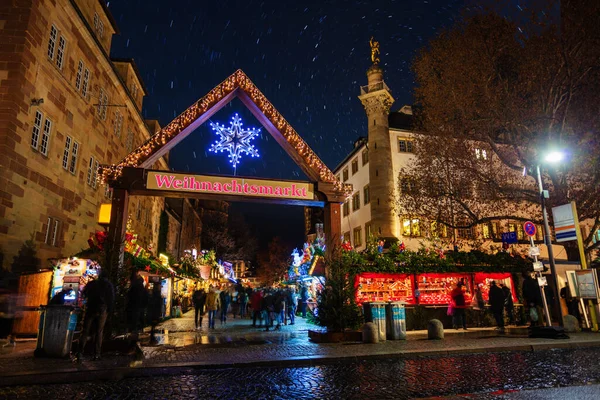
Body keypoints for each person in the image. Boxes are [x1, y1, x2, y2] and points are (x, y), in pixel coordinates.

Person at [78, 273, 114, 360]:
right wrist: (109, 310)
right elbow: (111, 299)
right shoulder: (108, 285)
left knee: (85, 331)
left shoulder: (93, 284)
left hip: (91, 308)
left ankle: (79, 353)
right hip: (102, 309)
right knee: (99, 332)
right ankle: (97, 354)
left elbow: (84, 293)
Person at [126, 272, 147, 337]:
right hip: (139, 307)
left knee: (133, 323)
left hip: (134, 307)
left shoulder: (134, 287)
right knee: (137, 323)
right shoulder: (142, 288)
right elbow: (146, 298)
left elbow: (129, 296)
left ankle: (133, 338)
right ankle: (135, 337)